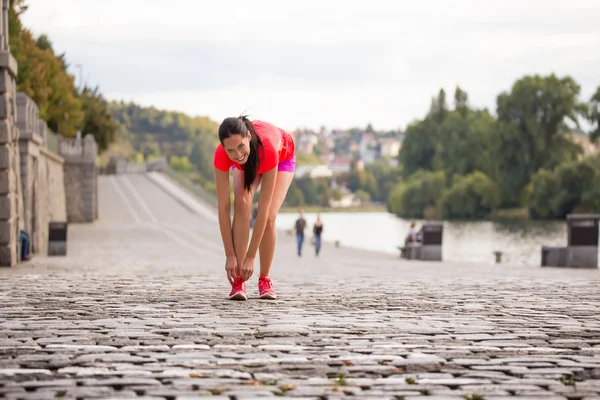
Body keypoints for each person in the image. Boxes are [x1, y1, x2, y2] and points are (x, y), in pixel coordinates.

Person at [213, 115, 296, 301]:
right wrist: (230, 255)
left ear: (248, 137)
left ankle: (264, 279)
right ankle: (239, 280)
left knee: (269, 217)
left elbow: (264, 210)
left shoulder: (268, 149)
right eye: (231, 151)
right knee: (241, 203)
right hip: (250, 163)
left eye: (241, 146)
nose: (237, 154)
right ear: (223, 148)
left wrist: (251, 257)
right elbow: (224, 207)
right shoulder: (223, 154)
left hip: (280, 159)